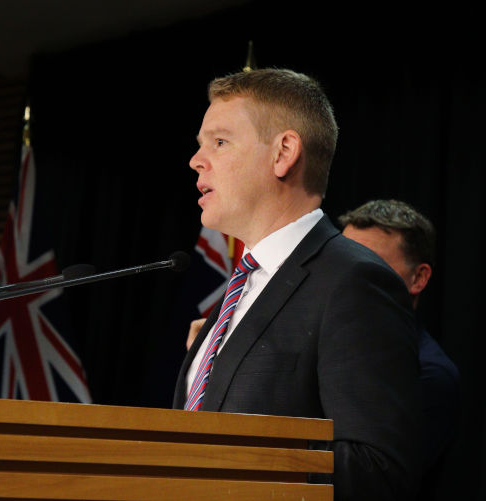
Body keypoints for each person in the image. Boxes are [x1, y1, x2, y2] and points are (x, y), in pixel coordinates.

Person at [173, 69, 421, 501]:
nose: (196, 160)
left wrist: (223, 462)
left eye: (219, 142)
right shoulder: (239, 292)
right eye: (199, 145)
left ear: (283, 153)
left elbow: (376, 471)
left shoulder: (353, 282)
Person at [339, 199, 460, 496]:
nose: (346, 279)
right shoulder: (319, 341)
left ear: (419, 278)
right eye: (341, 262)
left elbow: (373, 485)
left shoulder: (432, 376)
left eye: (370, 266)